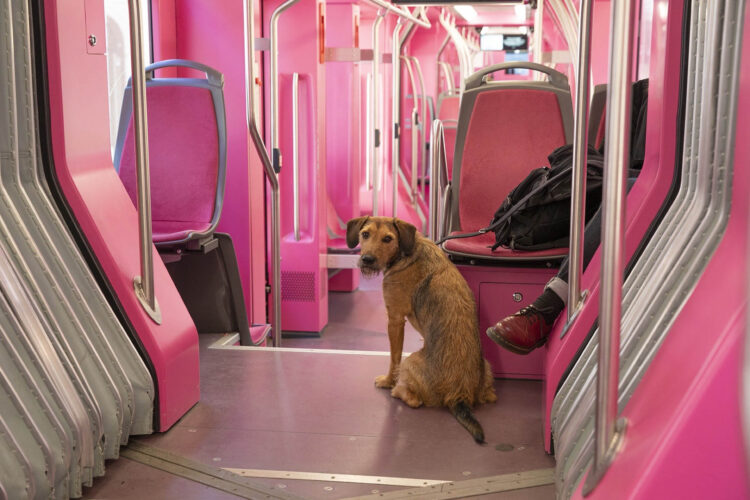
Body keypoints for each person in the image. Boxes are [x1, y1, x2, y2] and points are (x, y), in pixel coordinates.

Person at [486, 79, 649, 354]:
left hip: (653, 192)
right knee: (619, 185)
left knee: (627, 188)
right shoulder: (642, 93)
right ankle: (547, 306)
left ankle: (547, 307)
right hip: (634, 187)